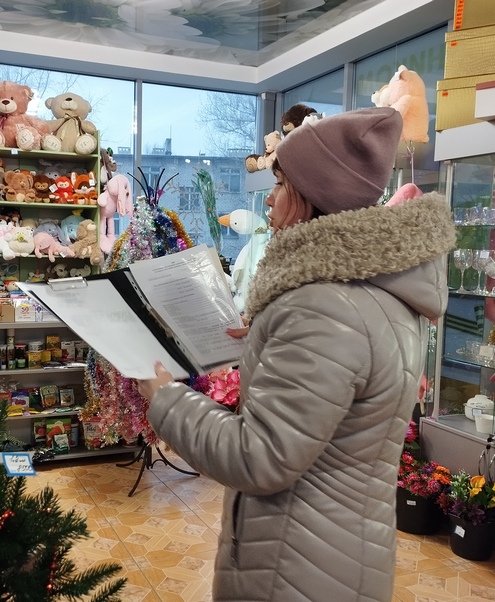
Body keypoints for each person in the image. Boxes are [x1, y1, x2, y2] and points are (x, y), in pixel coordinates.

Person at [137, 107, 456, 601]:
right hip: (340, 550)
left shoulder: (320, 304)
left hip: (293, 565)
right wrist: (270, 338)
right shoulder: (374, 289)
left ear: (312, 197)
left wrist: (166, 400)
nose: (269, 200)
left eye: (281, 185)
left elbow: (259, 457)